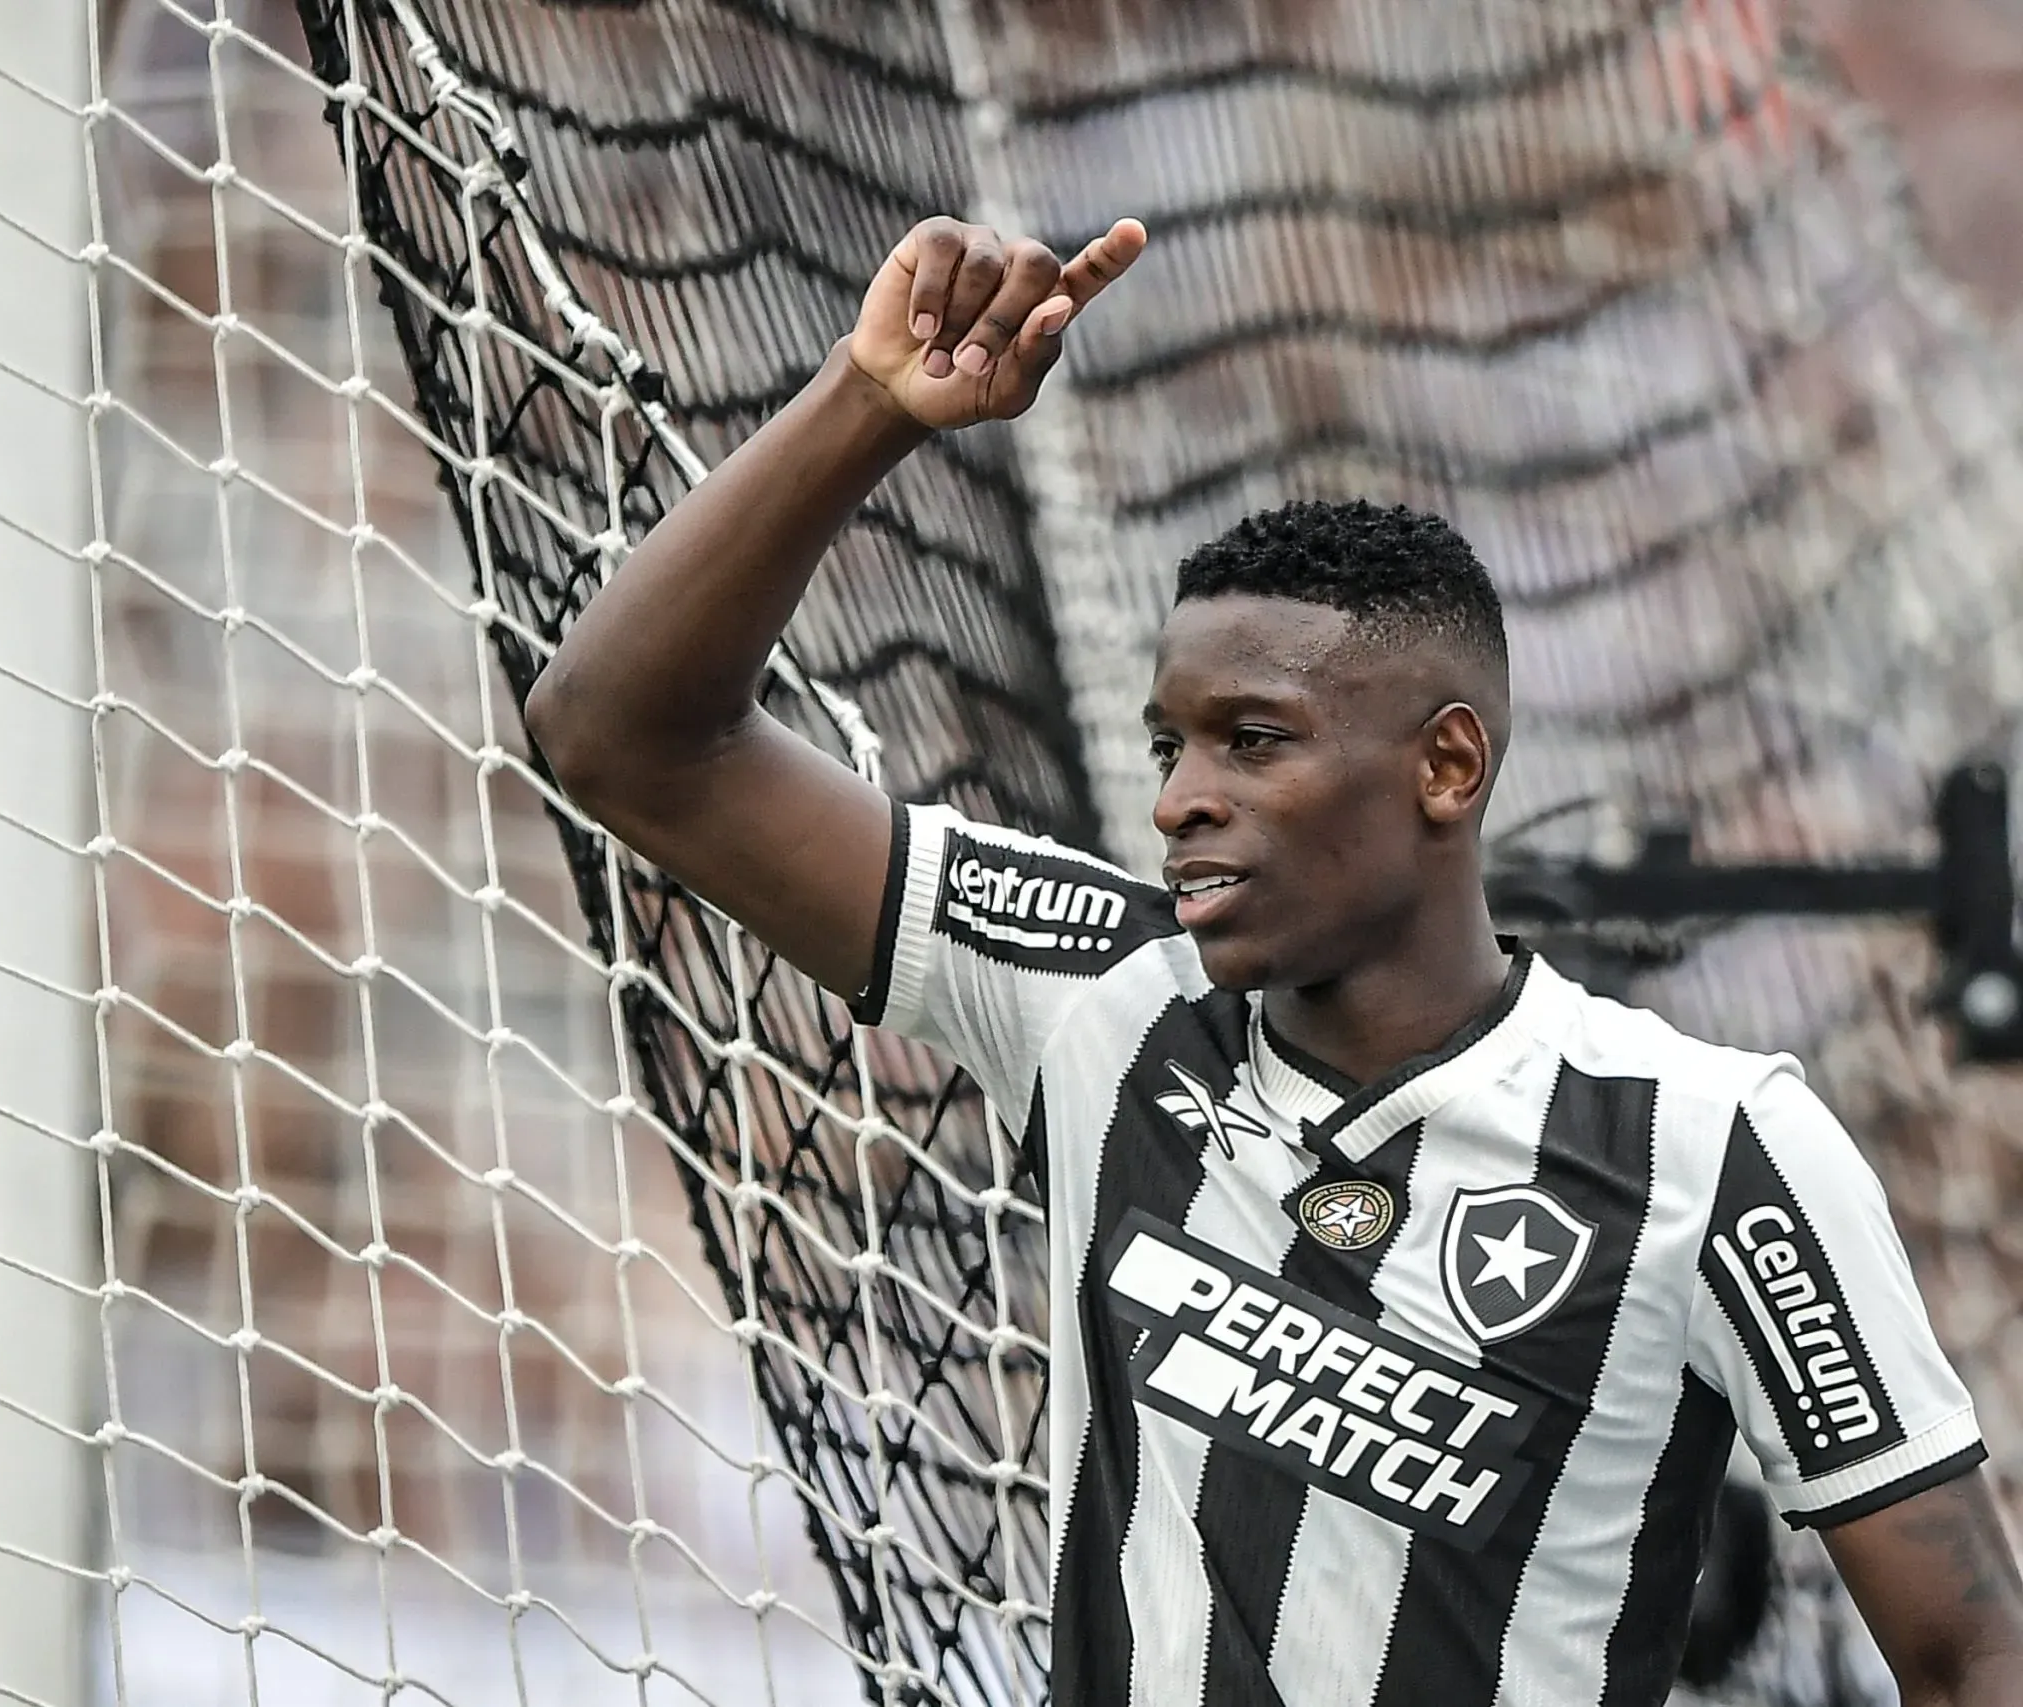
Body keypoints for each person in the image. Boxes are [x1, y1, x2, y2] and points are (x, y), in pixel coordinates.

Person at [522, 215, 2023, 1707]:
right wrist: (869, 400)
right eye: (1169, 745)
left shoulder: (1710, 1142)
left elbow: (1969, 1656)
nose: (1180, 796)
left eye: (1254, 740)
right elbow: (622, 734)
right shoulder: (1099, 990)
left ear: (1447, 767)